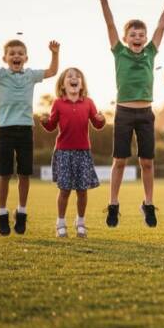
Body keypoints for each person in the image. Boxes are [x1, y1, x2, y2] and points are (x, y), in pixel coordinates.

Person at [91, 0, 164, 228]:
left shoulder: (151, 52)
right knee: (119, 161)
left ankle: (148, 204)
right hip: (123, 113)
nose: (138, 38)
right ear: (126, 37)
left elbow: (162, 27)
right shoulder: (119, 52)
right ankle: (113, 204)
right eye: (133, 35)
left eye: (141, 34)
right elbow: (109, 23)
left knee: (147, 162)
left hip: (145, 114)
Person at [0, 34, 59, 236]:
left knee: (24, 174)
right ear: (5, 58)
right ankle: (2, 214)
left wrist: (55, 53)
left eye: (20, 53)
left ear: (26, 58)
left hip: (26, 130)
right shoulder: (0, 75)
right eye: (12, 54)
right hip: (5, 130)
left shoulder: (30, 75)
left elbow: (53, 71)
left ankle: (21, 212)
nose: (16, 56)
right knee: (4, 173)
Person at [40, 68, 105, 238]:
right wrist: (45, 122)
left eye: (77, 77)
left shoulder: (88, 102)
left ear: (82, 84)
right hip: (63, 152)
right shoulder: (58, 103)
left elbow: (97, 125)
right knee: (65, 190)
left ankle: (80, 222)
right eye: (70, 77)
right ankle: (60, 223)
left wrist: (101, 120)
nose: (74, 79)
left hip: (83, 152)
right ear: (63, 84)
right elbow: (51, 126)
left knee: (82, 190)